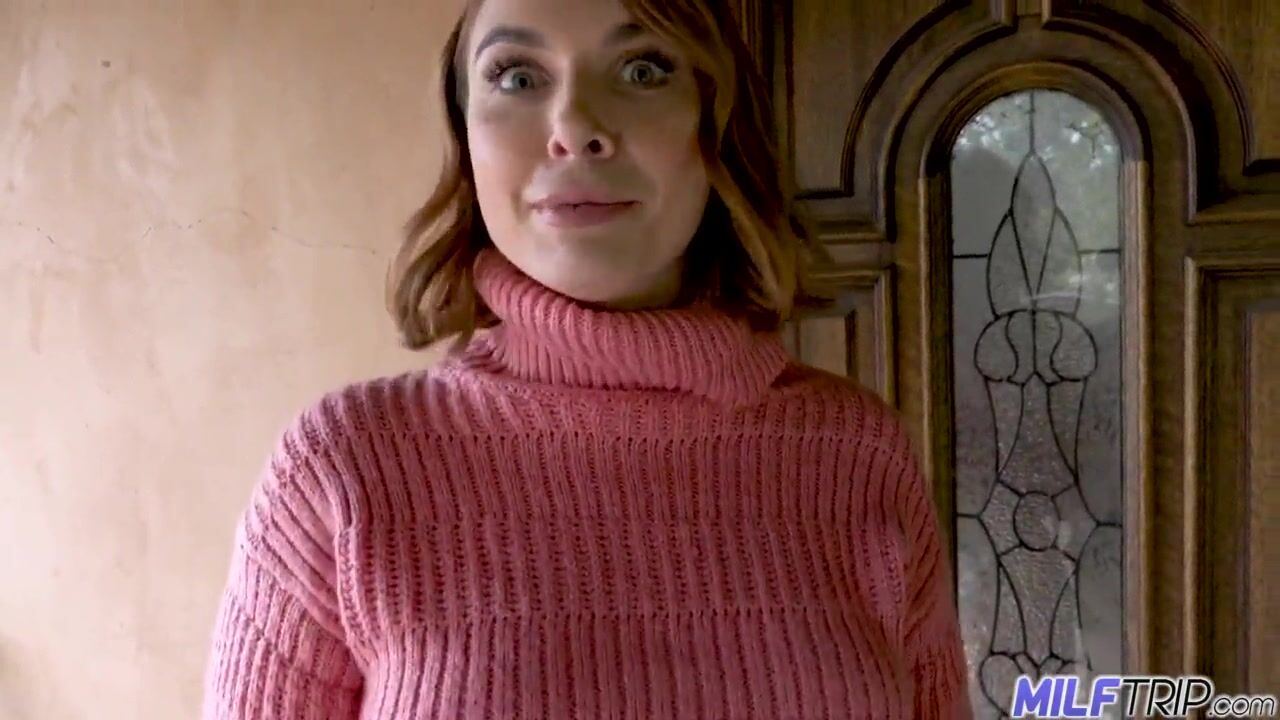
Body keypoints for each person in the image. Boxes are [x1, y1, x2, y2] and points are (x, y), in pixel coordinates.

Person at [200, 0, 972, 717]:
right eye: (517, 76)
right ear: (467, 142)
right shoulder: (340, 469)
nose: (574, 126)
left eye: (642, 69)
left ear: (719, 124)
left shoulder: (859, 454)